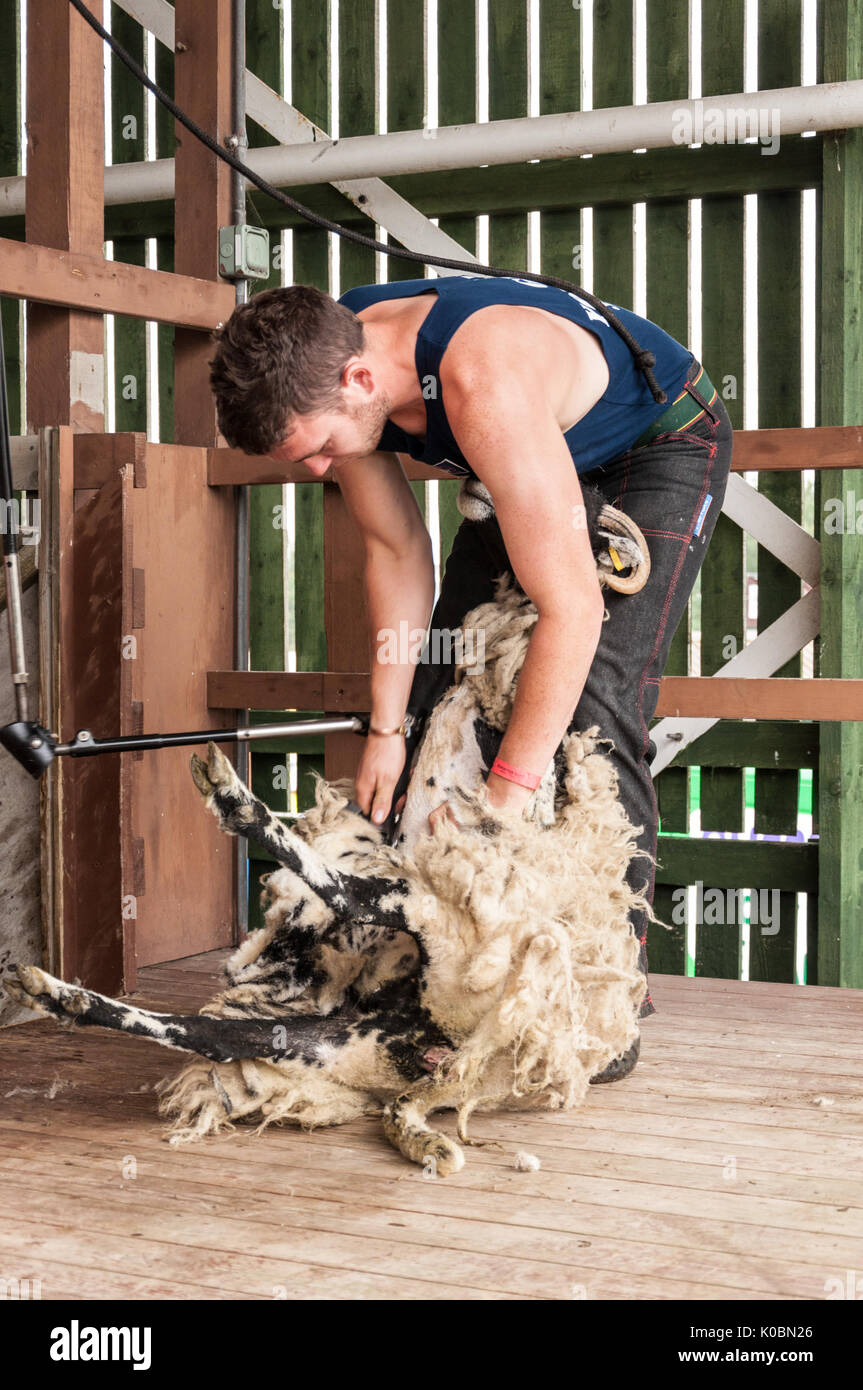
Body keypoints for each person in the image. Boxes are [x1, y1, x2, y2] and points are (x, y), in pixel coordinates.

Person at [208, 273, 734, 1055]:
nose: (317, 471)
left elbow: (574, 611)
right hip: (517, 465)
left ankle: (603, 996)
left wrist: (501, 807)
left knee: (589, 701)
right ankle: (429, 968)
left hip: (650, 448)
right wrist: (387, 728)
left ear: (360, 380)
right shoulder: (332, 358)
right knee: (443, 693)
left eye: (318, 449)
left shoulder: (478, 377)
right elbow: (393, 548)